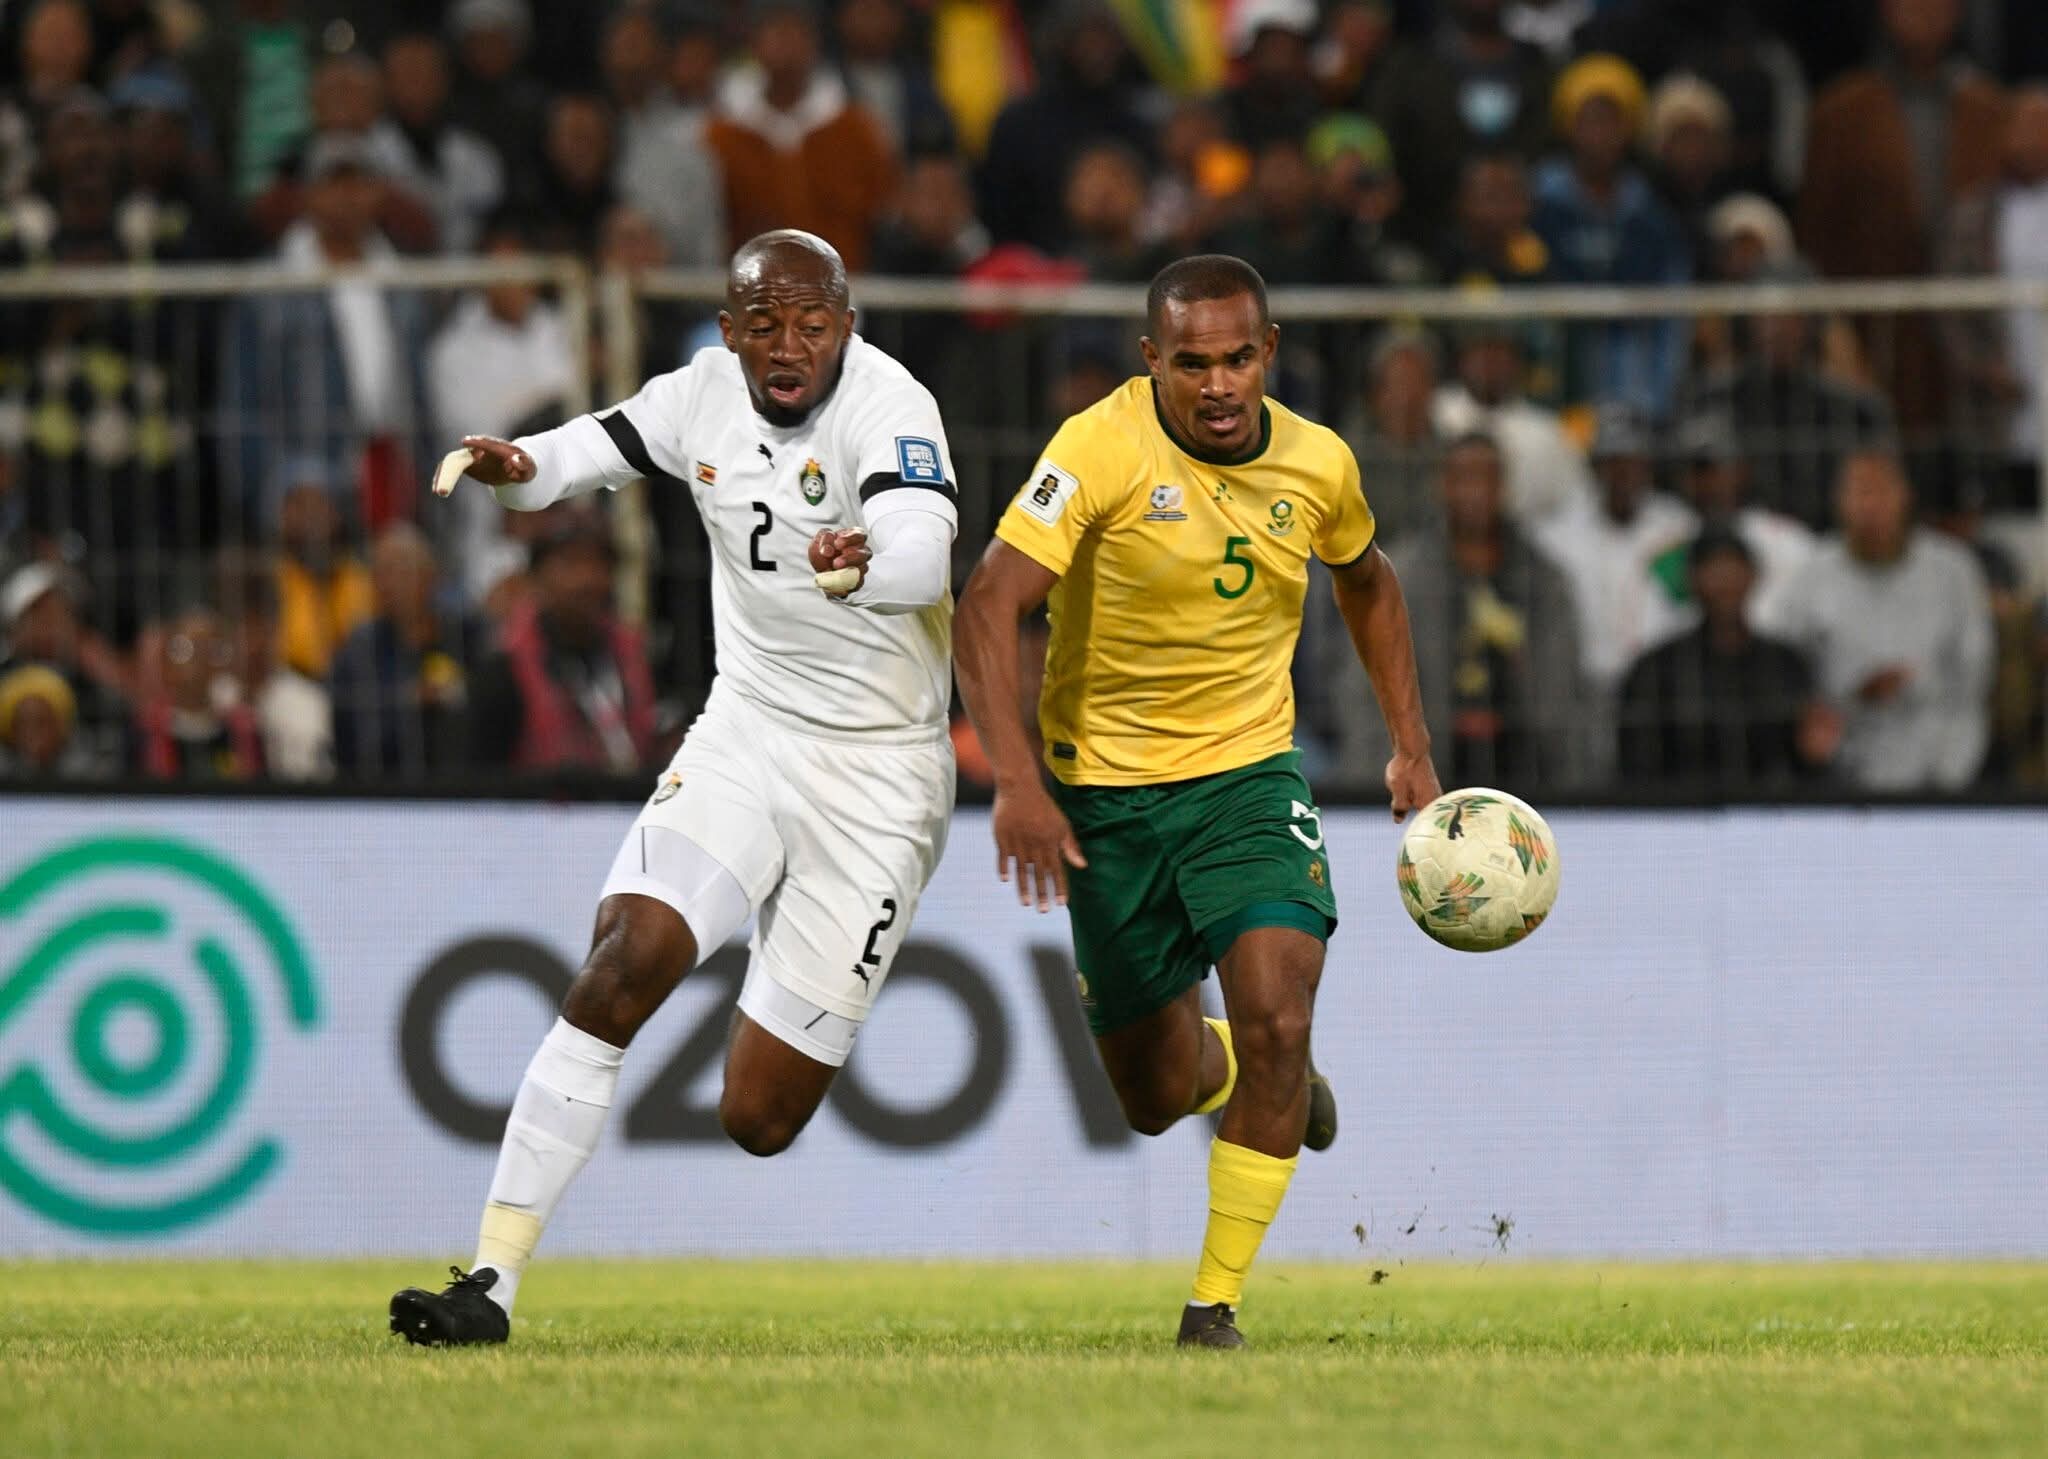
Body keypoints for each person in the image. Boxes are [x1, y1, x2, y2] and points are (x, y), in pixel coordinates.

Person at [389, 231, 960, 1346]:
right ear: (729, 330)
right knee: (620, 962)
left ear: (845, 323)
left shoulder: (891, 406)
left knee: (757, 1115)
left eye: (809, 322)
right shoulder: (699, 394)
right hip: (746, 733)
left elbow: (925, 553)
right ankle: (488, 1284)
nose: (787, 345)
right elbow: (587, 451)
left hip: (878, 775)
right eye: (763, 324)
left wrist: (863, 561)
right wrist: (518, 469)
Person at [952, 256, 1439, 1349]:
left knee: (1277, 1010)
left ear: (1268, 354)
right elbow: (986, 597)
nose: (1216, 385)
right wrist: (1018, 780)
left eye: (1236, 360)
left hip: (1247, 780)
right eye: (1190, 364)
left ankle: (1210, 1306)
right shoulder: (1097, 446)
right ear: (1150, 361)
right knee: (1155, 1091)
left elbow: (1366, 578)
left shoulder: (1318, 461)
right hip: (1105, 801)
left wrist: (1410, 743)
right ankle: (1240, 1066)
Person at [1772, 449, 1993, 790]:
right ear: (1839, 501)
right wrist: (1853, 700)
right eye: (1859, 491)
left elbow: (1971, 682)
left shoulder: (1953, 570)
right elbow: (1790, 684)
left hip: (1939, 762)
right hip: (1839, 768)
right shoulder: (1809, 578)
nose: (1871, 506)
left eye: (1881, 490)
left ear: (1905, 495)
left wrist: (1948, 779)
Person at [1616, 523, 1836, 791]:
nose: (1724, 582)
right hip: (1679, 819)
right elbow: (1637, 768)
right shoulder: (1655, 670)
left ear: (1754, 576)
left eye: (1733, 569)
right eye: (1712, 570)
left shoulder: (1787, 665)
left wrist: (1815, 753)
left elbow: (1811, 764)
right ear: (1691, 580)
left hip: (1772, 819)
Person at [463, 509, 657, 774]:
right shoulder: (504, 668)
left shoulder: (635, 656)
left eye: (598, 564)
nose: (587, 579)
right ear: (536, 577)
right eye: (571, 563)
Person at [330, 523, 486, 779]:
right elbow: (351, 726)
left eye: (399, 570)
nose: (386, 583)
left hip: (465, 782)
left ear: (431, 576)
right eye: (379, 573)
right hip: (386, 786)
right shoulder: (361, 649)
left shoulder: (468, 636)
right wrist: (409, 703)